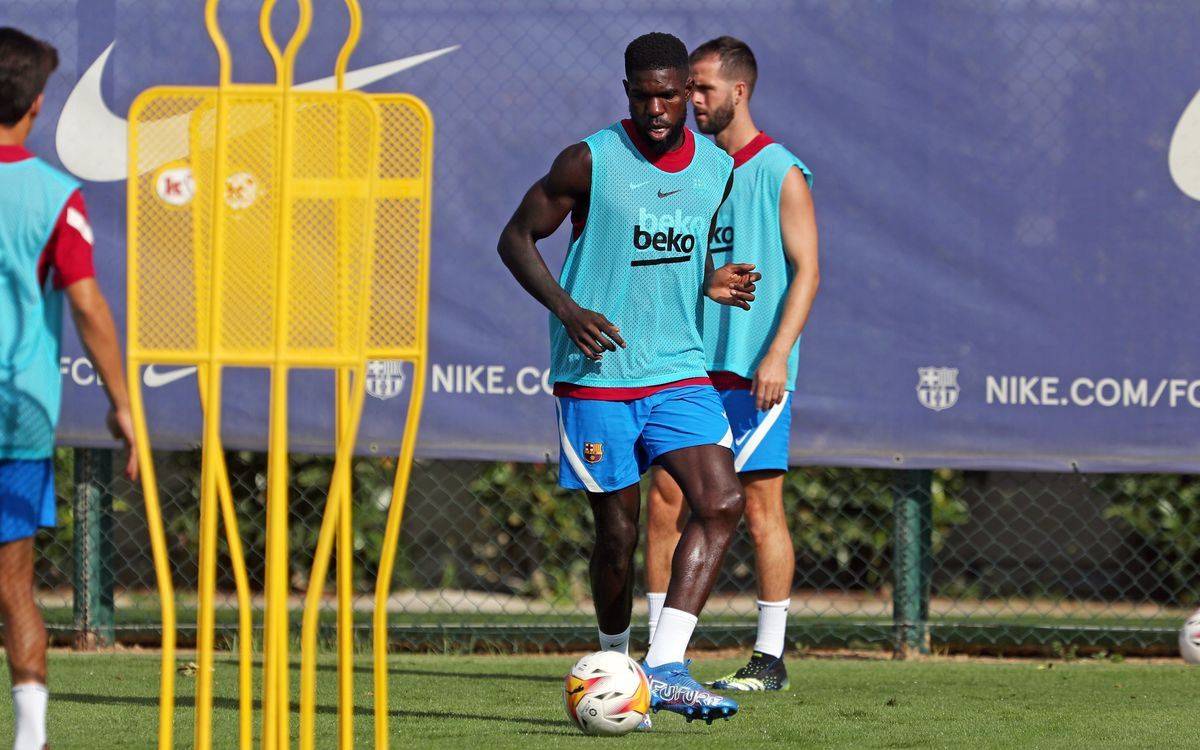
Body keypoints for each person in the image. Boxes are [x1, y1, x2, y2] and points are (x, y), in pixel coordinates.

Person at [498, 32, 759, 724]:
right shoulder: (589, 161)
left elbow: (671, 259)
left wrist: (711, 283)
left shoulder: (716, 167)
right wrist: (567, 307)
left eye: (669, 95)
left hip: (677, 371)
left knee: (722, 502)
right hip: (598, 375)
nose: (657, 109)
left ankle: (666, 667)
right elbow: (515, 239)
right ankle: (615, 661)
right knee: (617, 535)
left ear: (688, 94)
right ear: (627, 93)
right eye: (643, 96)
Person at [644, 36, 819, 692]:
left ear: (738, 92)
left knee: (758, 503)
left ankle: (770, 658)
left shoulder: (781, 170)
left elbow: (809, 272)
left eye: (703, 89)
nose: (691, 100)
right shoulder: (694, 172)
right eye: (688, 88)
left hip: (753, 371)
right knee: (664, 500)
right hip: (688, 366)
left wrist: (776, 353)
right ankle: (660, 657)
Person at [0, 26, 138, 750]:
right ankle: (29, 742)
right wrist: (122, 404)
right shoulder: (55, 195)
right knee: (13, 584)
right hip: (15, 411)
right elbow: (87, 304)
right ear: (37, 107)